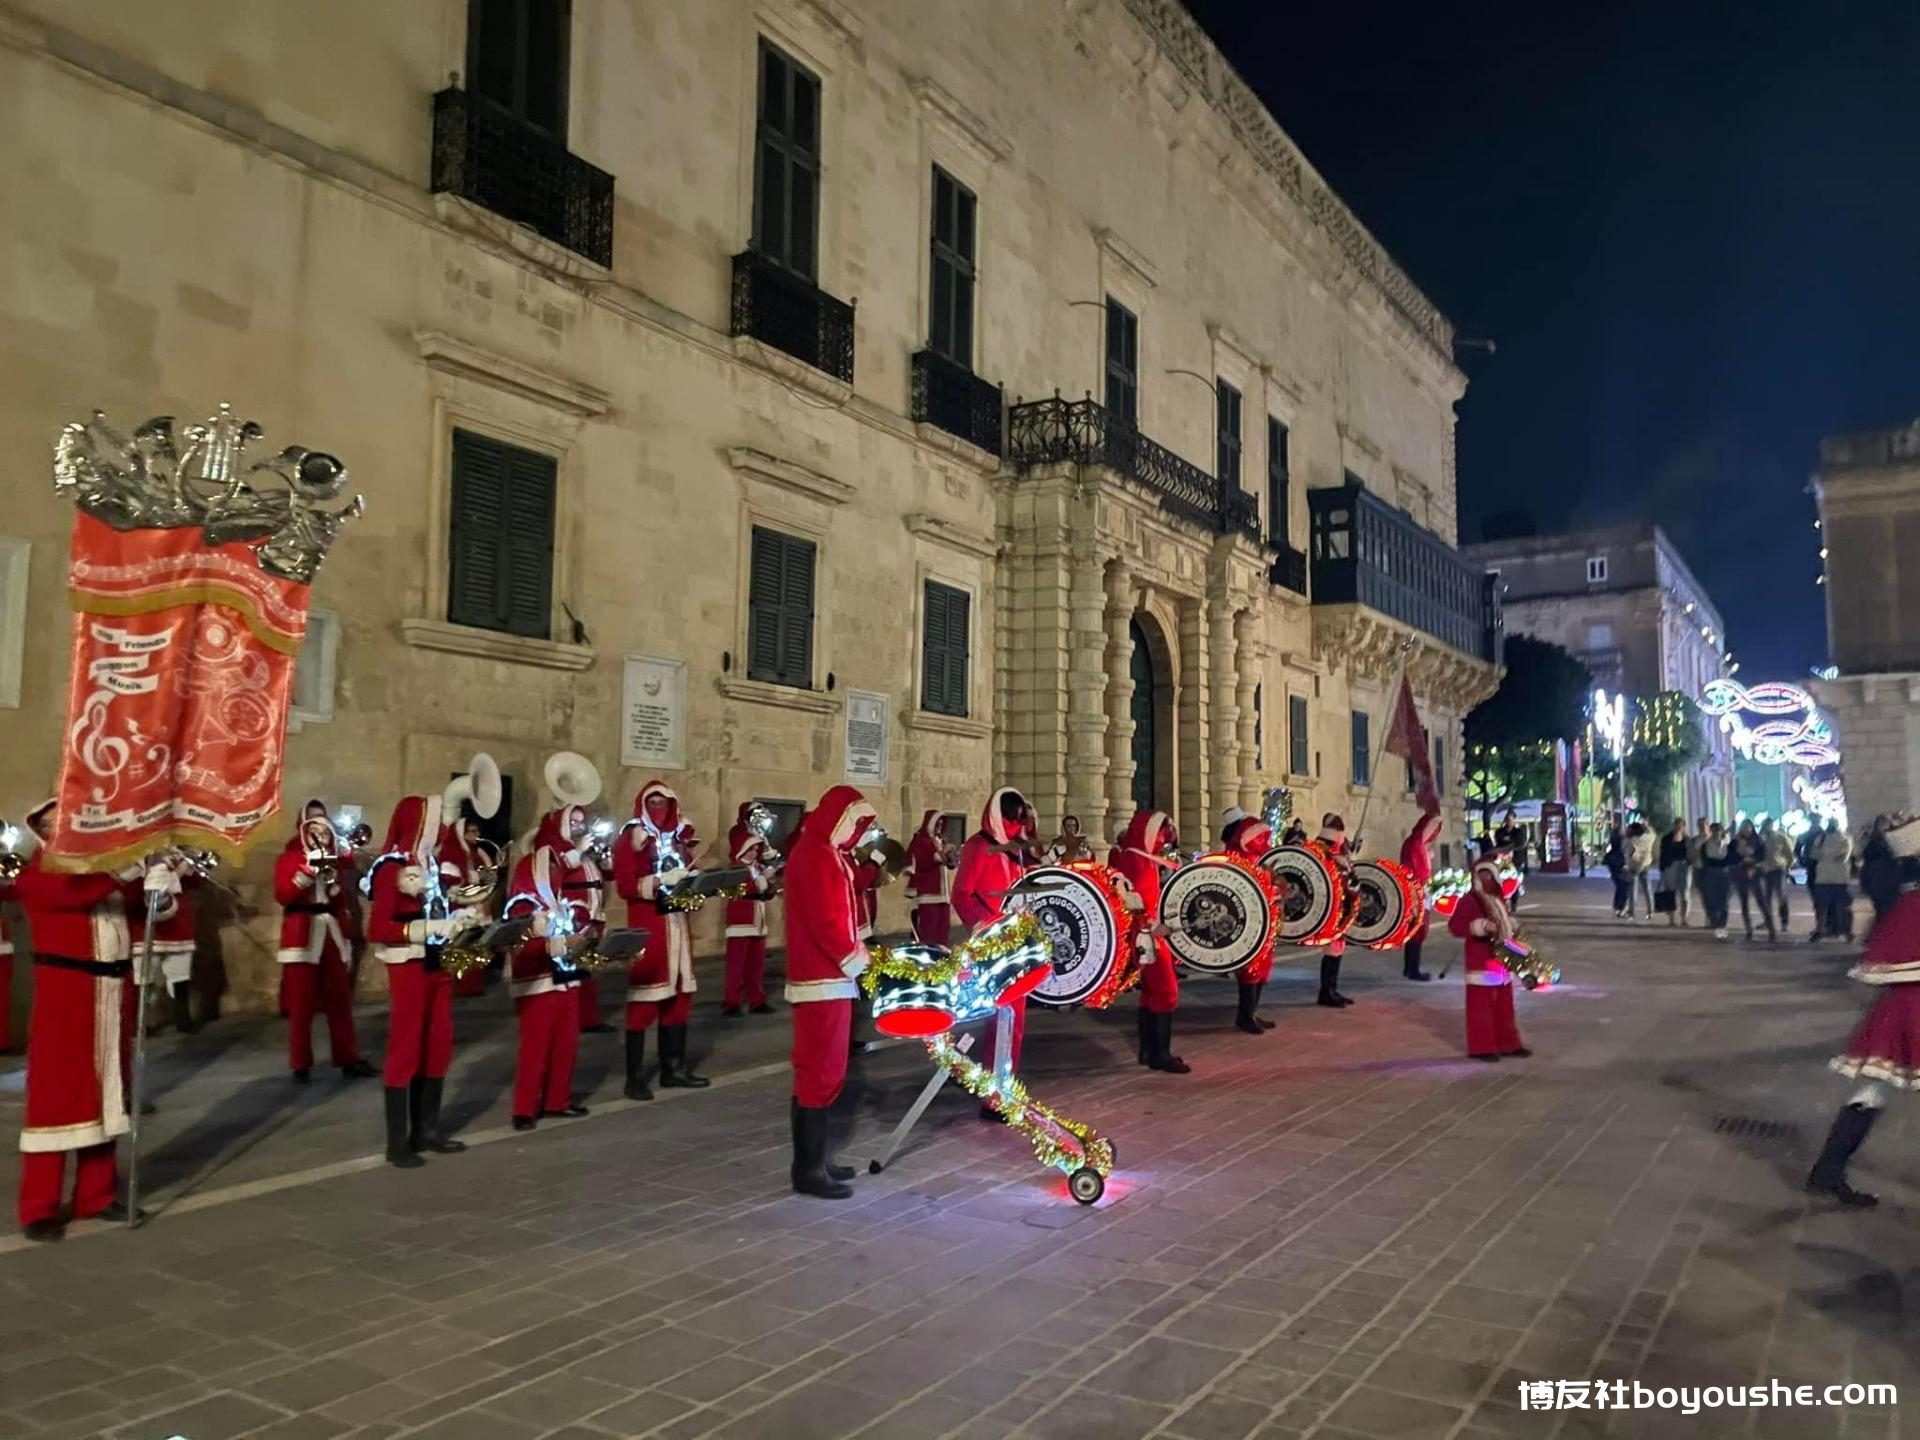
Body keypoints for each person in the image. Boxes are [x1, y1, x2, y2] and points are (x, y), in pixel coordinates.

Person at [13, 800, 146, 1239]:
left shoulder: (97, 871)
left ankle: (97, 1194)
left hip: (111, 992)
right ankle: (38, 1206)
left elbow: (131, 907)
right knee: (56, 1095)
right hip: (66, 994)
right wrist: (123, 870)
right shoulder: (39, 871)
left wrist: (156, 883)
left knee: (108, 1090)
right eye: (55, 822)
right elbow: (69, 895)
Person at [1808, 818, 1920, 1206]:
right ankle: (1827, 1170)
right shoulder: (1914, 904)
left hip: (1897, 1013)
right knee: (1873, 1091)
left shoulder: (1908, 902)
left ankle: (1827, 1170)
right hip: (1910, 1012)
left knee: (1873, 1091)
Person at [366, 793, 473, 1168]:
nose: (441, 827)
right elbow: (378, 926)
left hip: (438, 962)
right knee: (406, 1046)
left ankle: (426, 1131)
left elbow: (441, 909)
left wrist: (460, 916)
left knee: (438, 1044)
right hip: (409, 964)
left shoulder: (432, 865)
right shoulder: (389, 868)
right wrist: (427, 927)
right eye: (434, 821)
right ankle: (398, 1143)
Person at [782, 785, 875, 1199]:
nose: (857, 833)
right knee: (818, 1071)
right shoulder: (815, 855)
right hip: (820, 981)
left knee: (830, 1071)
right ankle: (807, 1170)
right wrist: (857, 962)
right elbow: (828, 924)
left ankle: (817, 1160)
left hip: (831, 980)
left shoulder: (826, 853)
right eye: (855, 824)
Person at [612, 781, 708, 1098]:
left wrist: (693, 885)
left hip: (678, 925)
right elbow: (625, 886)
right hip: (650, 929)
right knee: (644, 1001)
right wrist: (658, 881)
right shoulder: (630, 839)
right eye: (651, 801)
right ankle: (634, 1077)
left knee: (679, 999)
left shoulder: (680, 840)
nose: (658, 807)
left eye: (662, 801)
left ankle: (673, 1069)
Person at [501, 814, 592, 1131]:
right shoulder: (523, 903)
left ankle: (557, 1100)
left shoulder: (558, 902)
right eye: (551, 866)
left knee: (566, 1042)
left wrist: (579, 940)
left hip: (565, 979)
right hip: (537, 983)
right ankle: (524, 1108)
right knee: (535, 1046)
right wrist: (558, 943)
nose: (556, 871)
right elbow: (520, 946)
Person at [274, 800, 375, 1082]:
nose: (322, 835)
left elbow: (342, 884)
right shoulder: (289, 858)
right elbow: (283, 895)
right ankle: (300, 1063)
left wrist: (334, 883)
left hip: (330, 931)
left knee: (340, 1000)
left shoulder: (334, 858)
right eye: (316, 829)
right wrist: (307, 873)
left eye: (326, 830)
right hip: (301, 933)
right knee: (301, 1004)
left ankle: (348, 1057)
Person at [953, 788, 1038, 1104]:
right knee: (999, 1019)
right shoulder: (978, 847)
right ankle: (994, 1094)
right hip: (992, 946)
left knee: (1012, 1021)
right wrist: (984, 926)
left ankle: (1000, 1080)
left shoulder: (1013, 850)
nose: (1017, 826)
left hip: (1015, 943)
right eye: (1011, 820)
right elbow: (962, 894)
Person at [1111, 810, 1188, 1073]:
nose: (1164, 836)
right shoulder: (1137, 860)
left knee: (1151, 993)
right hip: (1147, 937)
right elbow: (1134, 901)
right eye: (1161, 831)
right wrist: (1156, 927)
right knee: (1167, 991)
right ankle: (1161, 1055)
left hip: (1147, 934)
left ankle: (1148, 1051)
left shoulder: (1141, 857)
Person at [1447, 840, 1530, 1063]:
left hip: (1501, 960)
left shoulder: (1499, 900)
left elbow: (1506, 923)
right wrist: (1480, 926)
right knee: (1480, 1007)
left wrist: (1510, 924)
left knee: (1505, 1006)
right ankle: (1482, 1046)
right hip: (1480, 961)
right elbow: (1455, 926)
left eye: (1489, 876)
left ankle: (1508, 1043)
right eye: (1482, 876)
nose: (1486, 880)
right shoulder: (1469, 901)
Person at [721, 803, 778, 1017]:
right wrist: (764, 880)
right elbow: (743, 889)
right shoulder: (735, 867)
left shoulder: (758, 867)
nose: (755, 852)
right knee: (736, 966)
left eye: (757, 849)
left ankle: (756, 999)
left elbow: (768, 893)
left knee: (756, 965)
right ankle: (731, 1002)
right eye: (752, 848)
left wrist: (771, 881)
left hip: (758, 921)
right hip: (740, 921)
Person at [1221, 809, 1276, 1031]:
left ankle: (1252, 1012)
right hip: (1249, 924)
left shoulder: (1257, 860)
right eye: (1260, 837)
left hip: (1266, 922)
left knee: (1263, 968)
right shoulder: (1237, 860)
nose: (1265, 841)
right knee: (1250, 969)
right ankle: (1245, 1017)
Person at [130, 865, 200, 1035]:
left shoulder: (179, 855)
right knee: (143, 978)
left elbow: (196, 882)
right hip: (145, 920)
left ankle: (183, 1018)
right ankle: (140, 1023)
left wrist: (186, 869)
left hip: (177, 922)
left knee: (180, 975)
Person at [1316, 815, 1357, 1006]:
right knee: (1331, 950)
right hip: (1331, 908)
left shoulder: (1337, 852)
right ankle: (1326, 992)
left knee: (1337, 949)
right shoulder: (1322, 853)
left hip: (1341, 907)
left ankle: (1332, 989)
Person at [1400, 810, 1441, 981]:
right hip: (1416, 891)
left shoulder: (1415, 843)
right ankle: (1413, 969)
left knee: (1414, 930)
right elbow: (1420, 871)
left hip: (1416, 890)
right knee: (1417, 929)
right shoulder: (1416, 843)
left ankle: (1410, 967)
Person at [904, 810, 956, 946]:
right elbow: (923, 862)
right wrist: (943, 852)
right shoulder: (921, 840)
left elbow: (948, 864)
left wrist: (950, 856)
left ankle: (942, 956)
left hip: (943, 894)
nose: (939, 827)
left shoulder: (940, 841)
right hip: (929, 892)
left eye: (941, 824)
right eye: (937, 824)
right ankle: (928, 958)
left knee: (943, 929)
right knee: (929, 931)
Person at [1728, 819, 1774, 941]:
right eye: (1744, 828)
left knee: (1761, 902)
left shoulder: (1758, 841)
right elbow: (1730, 856)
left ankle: (1771, 929)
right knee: (1744, 903)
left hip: (1754, 873)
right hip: (1740, 873)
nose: (1746, 831)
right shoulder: (1735, 841)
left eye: (1748, 828)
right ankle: (1748, 930)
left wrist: (1754, 863)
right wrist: (1739, 860)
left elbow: (1762, 856)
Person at [1811, 819, 1854, 943]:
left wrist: (1825, 854)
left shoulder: (1845, 838)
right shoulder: (1822, 838)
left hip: (1838, 878)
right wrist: (1830, 854)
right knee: (1823, 907)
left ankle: (1845, 931)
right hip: (1824, 878)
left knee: (1842, 907)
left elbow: (1842, 857)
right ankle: (1822, 930)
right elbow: (1813, 854)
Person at [1859, 816, 1903, 931]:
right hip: (1882, 882)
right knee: (1885, 911)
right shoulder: (1880, 843)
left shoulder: (1879, 842)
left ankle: (1879, 935)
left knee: (1884, 912)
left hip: (1883, 882)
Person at [1697, 822, 1732, 939]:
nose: (1717, 833)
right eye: (1714, 830)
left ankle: (1722, 925)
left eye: (1719, 830)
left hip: (1724, 873)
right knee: (1711, 900)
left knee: (1724, 900)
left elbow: (1729, 859)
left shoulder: (1727, 844)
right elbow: (1706, 860)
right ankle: (1715, 922)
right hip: (1711, 872)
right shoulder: (1706, 845)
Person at [1761, 818, 1793, 932]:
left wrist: (1788, 866)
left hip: (1778, 869)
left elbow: (1789, 852)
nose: (1766, 828)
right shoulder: (1762, 839)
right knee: (1766, 898)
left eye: (1767, 825)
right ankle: (1767, 921)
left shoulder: (1780, 837)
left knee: (1781, 896)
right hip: (1765, 870)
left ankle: (1784, 922)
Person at [1657, 819, 1690, 926]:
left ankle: (1684, 918)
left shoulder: (1687, 839)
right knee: (1670, 892)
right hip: (1670, 866)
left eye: (1680, 826)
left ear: (1683, 827)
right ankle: (1671, 919)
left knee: (1685, 892)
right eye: (1676, 825)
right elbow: (1662, 854)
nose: (1678, 828)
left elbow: (1691, 853)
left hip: (1684, 866)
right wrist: (1662, 868)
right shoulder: (1667, 839)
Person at [1683, 816, 1710, 927]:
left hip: (1709, 870)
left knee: (1711, 895)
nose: (1702, 827)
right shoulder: (1694, 840)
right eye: (1699, 825)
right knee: (1703, 895)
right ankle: (1708, 918)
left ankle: (1711, 918)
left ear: (1708, 825)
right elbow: (1689, 855)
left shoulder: (1712, 838)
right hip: (1698, 869)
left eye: (1704, 824)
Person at [1625, 821, 1656, 919]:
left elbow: (1628, 852)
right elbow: (1653, 833)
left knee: (1633, 890)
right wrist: (1646, 826)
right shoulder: (1649, 838)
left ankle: (1631, 912)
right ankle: (1650, 911)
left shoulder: (1632, 841)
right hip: (1645, 864)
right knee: (1647, 888)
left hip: (1634, 866)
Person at [1604, 825, 1630, 918]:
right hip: (1619, 863)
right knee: (1624, 886)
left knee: (1620, 886)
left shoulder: (1614, 839)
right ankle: (1620, 908)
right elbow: (1624, 853)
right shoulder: (1622, 841)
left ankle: (1618, 908)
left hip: (1612, 862)